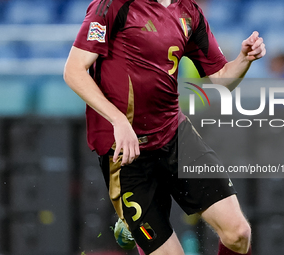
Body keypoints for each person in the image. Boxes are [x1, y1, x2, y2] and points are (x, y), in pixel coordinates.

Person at [63, 0, 266, 254]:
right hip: (125, 152)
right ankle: (137, 228)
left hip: (174, 135)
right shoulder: (112, 5)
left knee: (239, 234)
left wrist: (244, 60)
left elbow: (221, 78)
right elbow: (73, 71)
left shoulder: (189, 11)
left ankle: (135, 227)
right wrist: (118, 120)